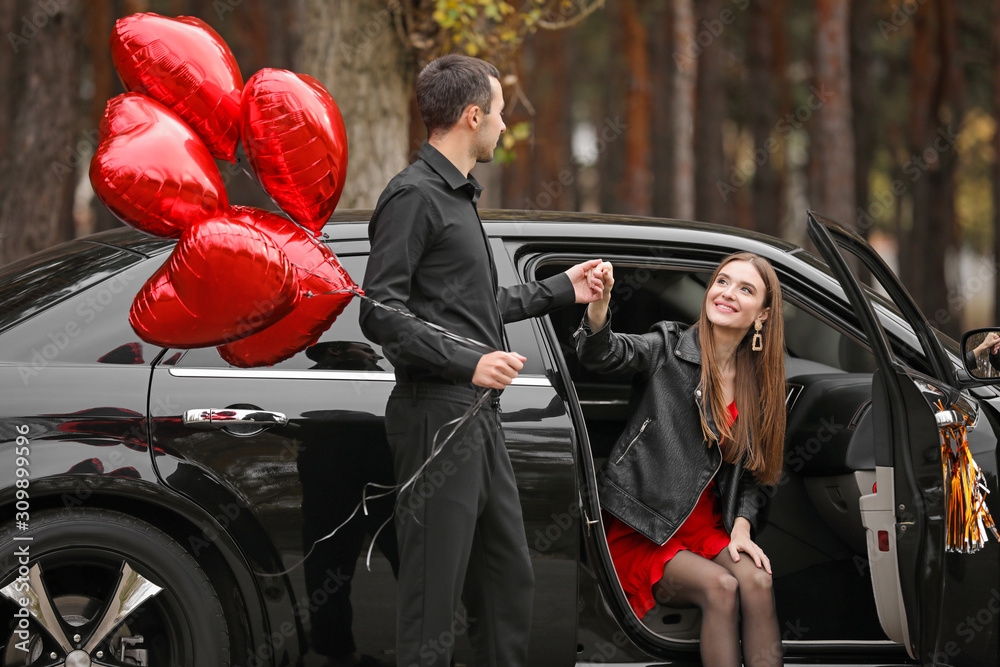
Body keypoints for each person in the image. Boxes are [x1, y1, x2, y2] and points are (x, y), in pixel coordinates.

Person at [359, 54, 605, 667]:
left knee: (507, 581)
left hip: (476, 417)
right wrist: (467, 362)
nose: (504, 126)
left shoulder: (457, 197)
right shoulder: (413, 196)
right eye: (499, 114)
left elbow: (476, 304)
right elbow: (379, 312)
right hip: (435, 415)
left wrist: (561, 290)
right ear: (473, 116)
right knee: (431, 599)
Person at [575, 254, 786, 667]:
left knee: (758, 581)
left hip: (704, 526)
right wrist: (599, 307)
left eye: (745, 289)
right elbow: (603, 354)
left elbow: (754, 476)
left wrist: (741, 529)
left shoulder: (757, 381)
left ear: (762, 315)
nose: (727, 293)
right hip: (645, 525)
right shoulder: (668, 346)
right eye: (722, 281)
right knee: (721, 587)